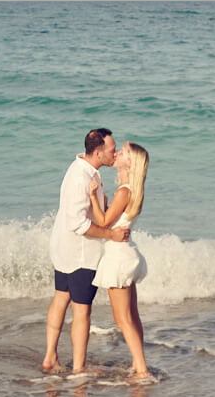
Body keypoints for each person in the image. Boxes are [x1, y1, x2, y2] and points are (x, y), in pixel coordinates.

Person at [43, 128, 128, 374]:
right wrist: (111, 235)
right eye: (112, 151)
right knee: (82, 310)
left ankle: (50, 356)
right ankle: (78, 368)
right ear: (99, 152)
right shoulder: (82, 177)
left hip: (63, 248)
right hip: (79, 253)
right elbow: (79, 224)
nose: (115, 154)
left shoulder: (82, 168)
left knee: (61, 298)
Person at [87, 141, 152, 380]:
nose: (118, 153)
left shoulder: (124, 191)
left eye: (123, 152)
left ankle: (142, 369)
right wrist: (104, 201)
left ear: (130, 163)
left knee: (122, 318)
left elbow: (103, 222)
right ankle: (138, 363)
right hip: (127, 253)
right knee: (132, 315)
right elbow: (114, 218)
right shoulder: (130, 191)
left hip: (118, 256)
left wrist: (93, 196)